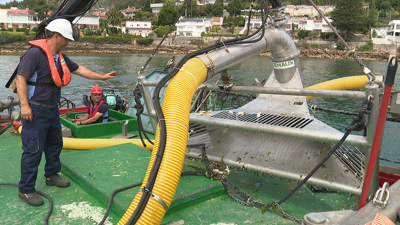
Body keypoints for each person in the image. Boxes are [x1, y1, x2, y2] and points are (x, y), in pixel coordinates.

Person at [15, 18, 117, 206]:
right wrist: (24, 106)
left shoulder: (59, 57)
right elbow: (21, 79)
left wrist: (102, 77)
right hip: (35, 109)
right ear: (56, 36)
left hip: (53, 110)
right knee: (33, 150)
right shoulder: (35, 54)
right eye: (67, 39)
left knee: (55, 144)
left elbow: (80, 70)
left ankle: (51, 176)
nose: (69, 42)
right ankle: (26, 189)